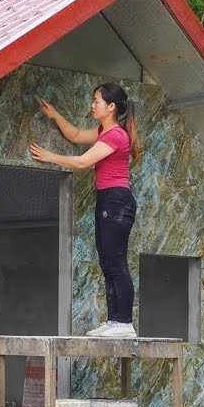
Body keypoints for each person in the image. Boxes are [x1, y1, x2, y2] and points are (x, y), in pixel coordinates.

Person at [30, 83, 142, 338]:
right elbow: (77, 135)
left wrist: (51, 157)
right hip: (108, 200)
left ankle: (124, 323)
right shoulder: (105, 131)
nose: (92, 105)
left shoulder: (116, 135)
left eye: (97, 101)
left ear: (111, 107)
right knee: (107, 261)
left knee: (116, 262)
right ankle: (115, 320)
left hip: (116, 201)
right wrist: (55, 115)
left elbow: (83, 161)